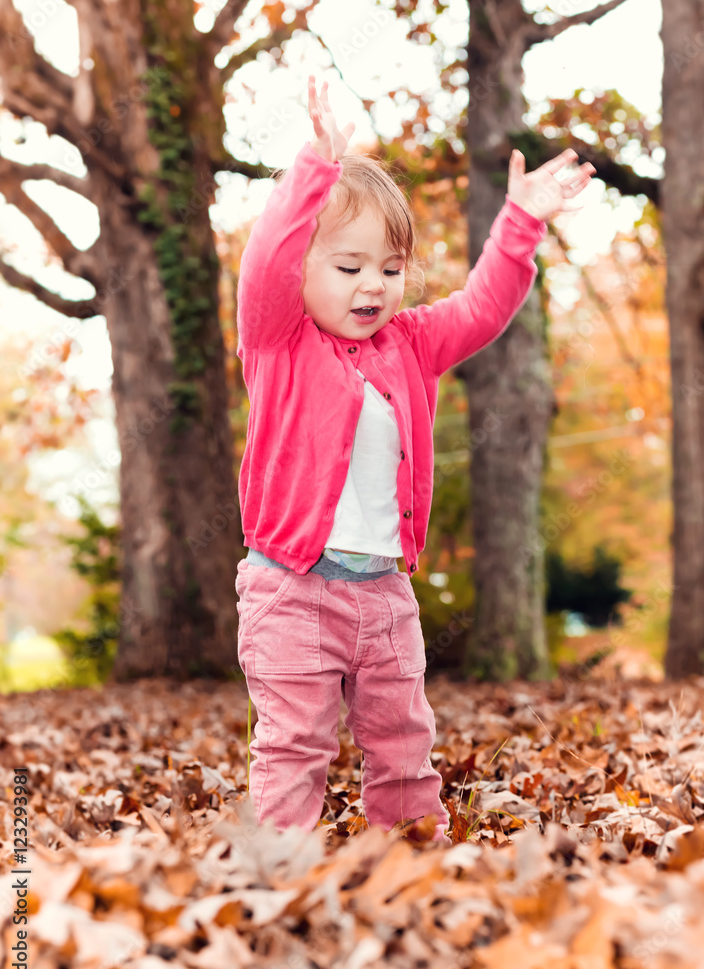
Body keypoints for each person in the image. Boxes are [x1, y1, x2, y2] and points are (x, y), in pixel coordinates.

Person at [234, 75, 596, 844]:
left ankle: (409, 861)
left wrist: (521, 223)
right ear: (302, 271)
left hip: (385, 595)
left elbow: (481, 305)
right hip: (290, 591)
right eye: (349, 267)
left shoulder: (409, 345)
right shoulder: (278, 340)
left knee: (403, 743)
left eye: (390, 269)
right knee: (295, 745)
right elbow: (265, 258)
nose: (373, 285)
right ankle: (274, 875)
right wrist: (315, 168)